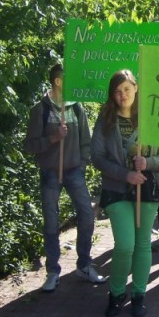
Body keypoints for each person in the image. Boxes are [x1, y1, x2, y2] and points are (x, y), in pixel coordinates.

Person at [91, 70, 159, 317]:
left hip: (147, 188)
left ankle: (139, 293)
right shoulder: (105, 120)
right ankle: (116, 293)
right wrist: (124, 174)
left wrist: (147, 163)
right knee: (125, 245)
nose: (122, 94)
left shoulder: (151, 117)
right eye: (117, 91)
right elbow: (97, 157)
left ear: (136, 88)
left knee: (142, 244)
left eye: (126, 89)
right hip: (117, 190)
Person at [24, 64, 106, 293]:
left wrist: (81, 164)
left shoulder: (77, 107)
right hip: (50, 173)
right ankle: (52, 271)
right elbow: (29, 145)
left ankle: (84, 265)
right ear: (58, 82)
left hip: (74, 172)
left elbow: (85, 141)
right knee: (51, 221)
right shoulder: (39, 109)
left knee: (87, 216)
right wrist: (52, 138)